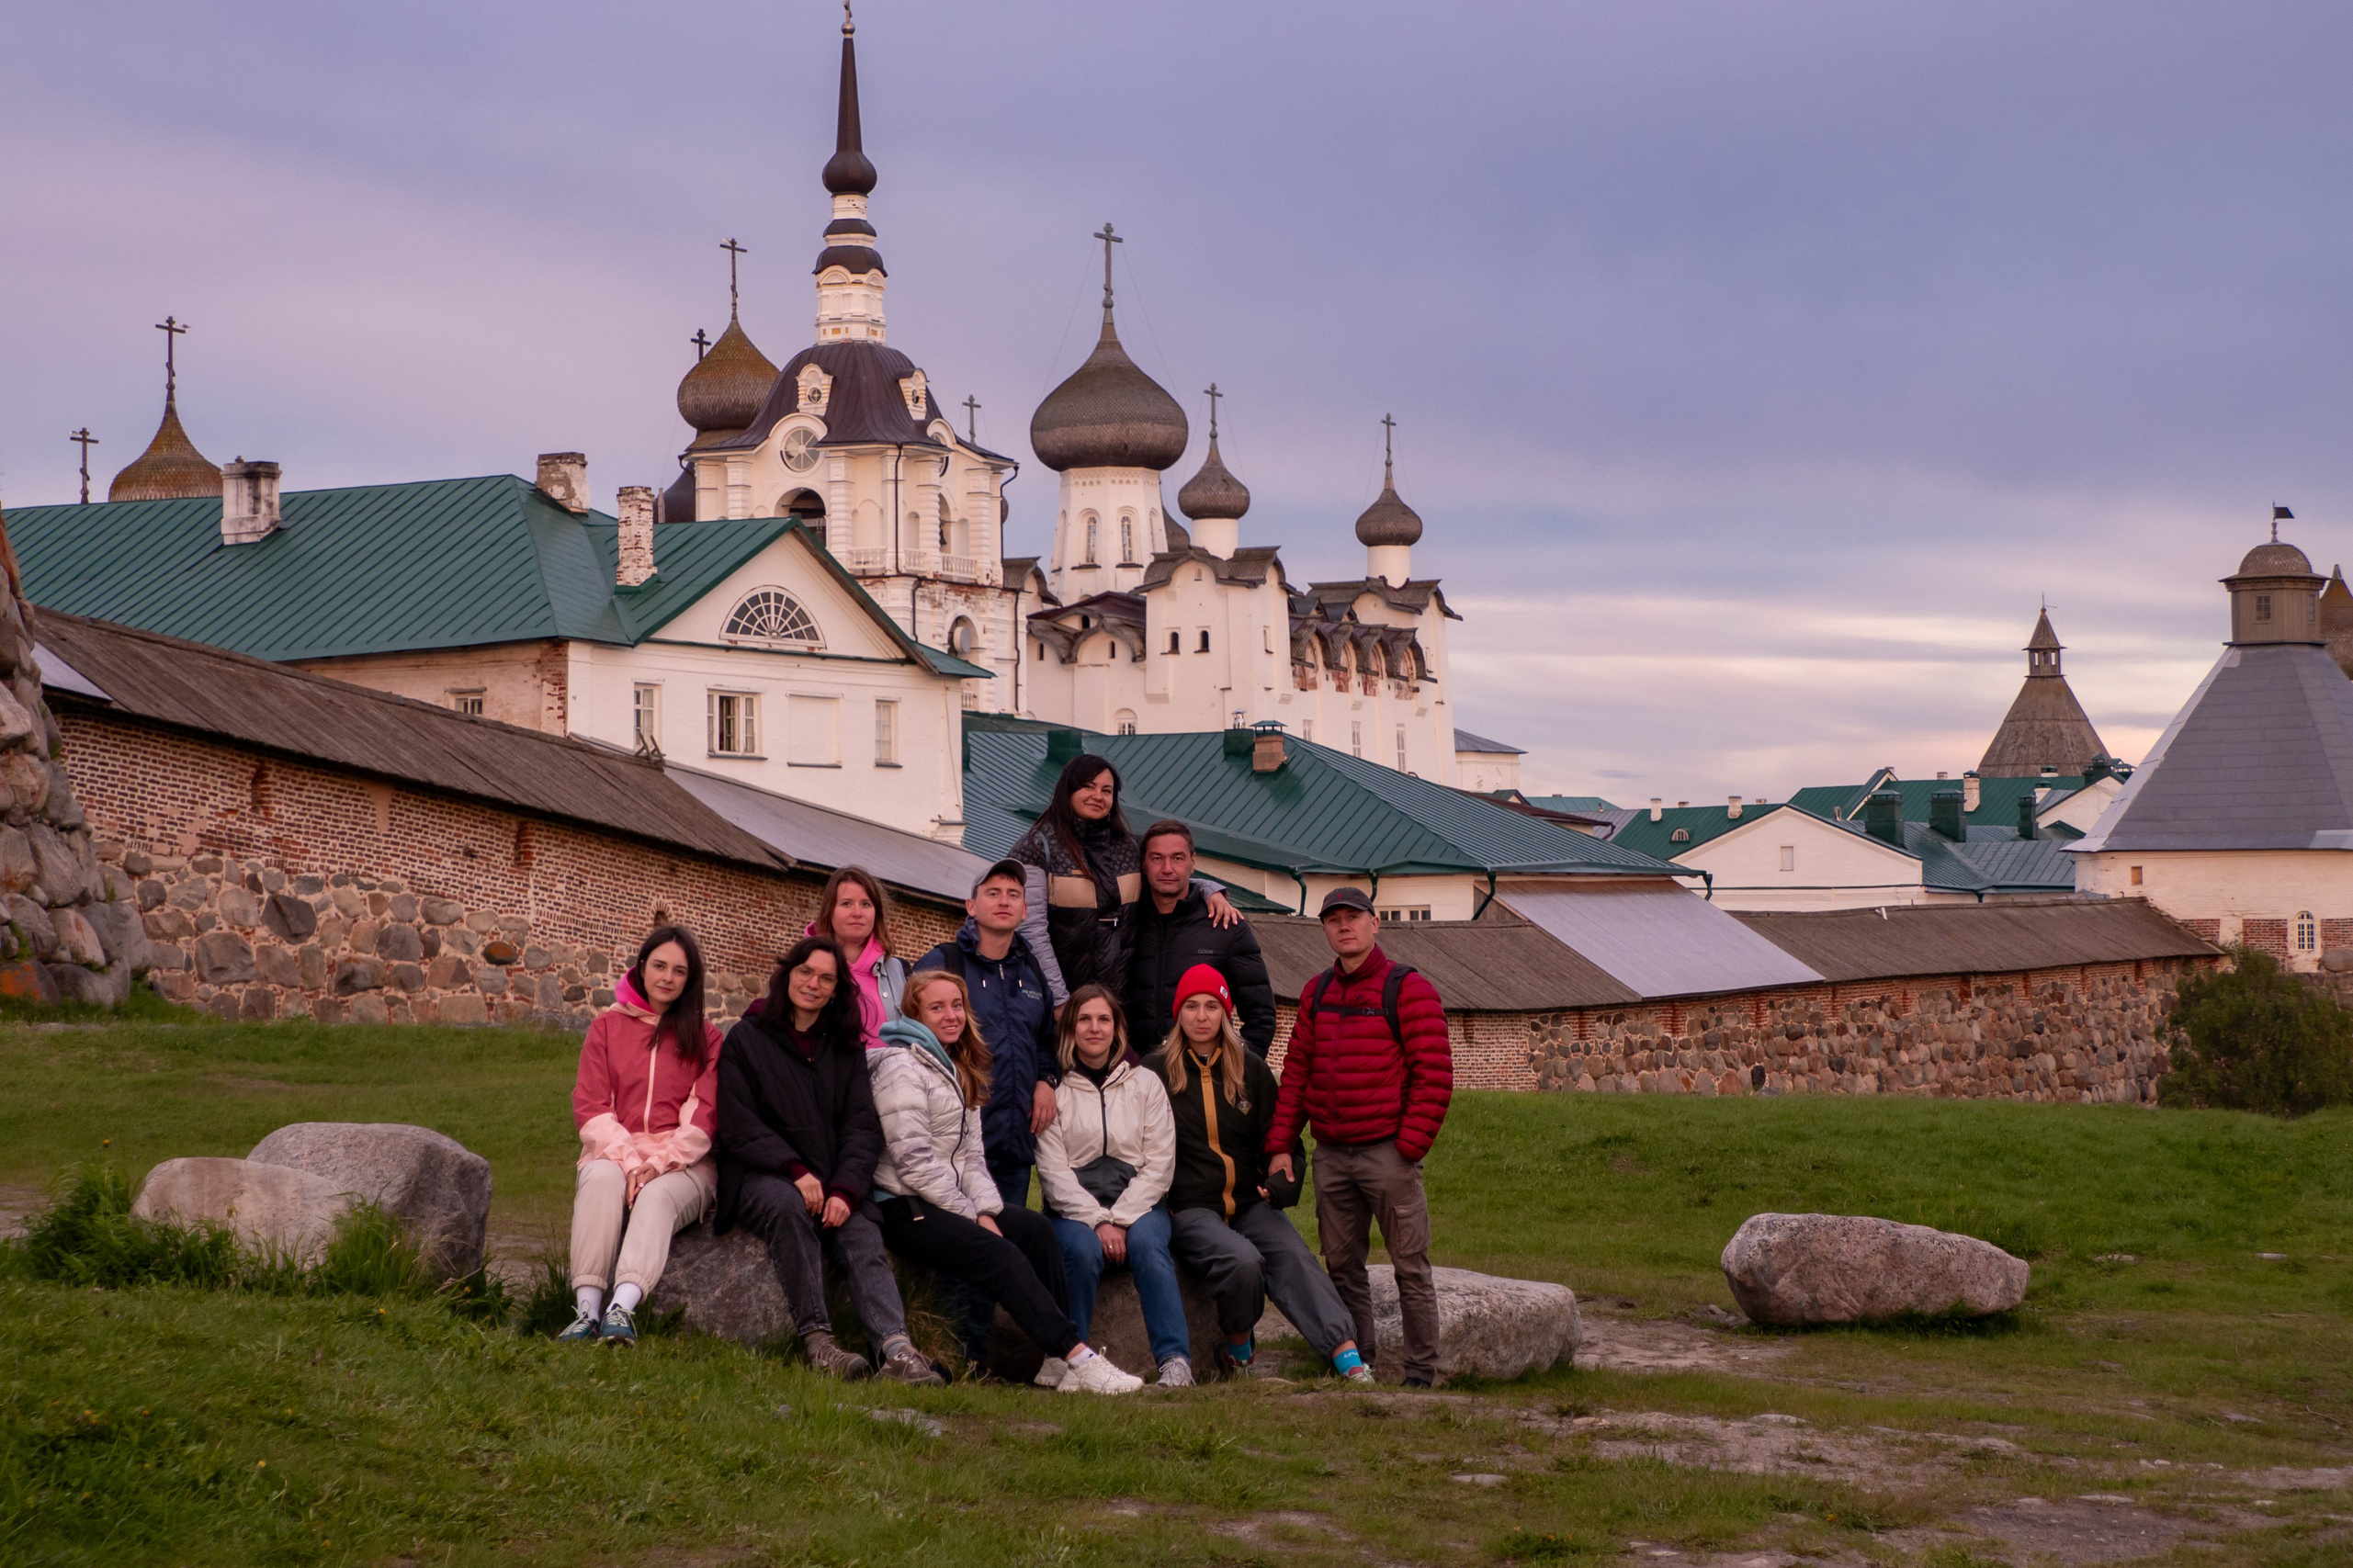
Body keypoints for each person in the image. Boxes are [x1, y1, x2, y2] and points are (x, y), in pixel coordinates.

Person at [867, 968, 1144, 1394]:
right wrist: (972, 1217)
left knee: (1034, 1230)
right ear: (914, 1014)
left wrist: (984, 1209)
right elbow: (913, 1162)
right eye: (936, 1007)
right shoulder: (902, 1066)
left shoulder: (959, 1066)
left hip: (947, 1201)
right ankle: (1080, 1359)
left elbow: (973, 1157)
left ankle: (1055, 1361)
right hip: (906, 1207)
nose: (950, 1015)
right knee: (1002, 1256)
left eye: (957, 1005)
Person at [715, 934, 940, 1385]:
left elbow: (861, 1126)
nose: (813, 984)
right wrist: (795, 1171)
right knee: (787, 1207)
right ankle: (820, 1344)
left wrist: (845, 1189)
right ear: (788, 974)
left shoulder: (844, 1046)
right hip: (763, 1175)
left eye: (826, 979)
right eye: (805, 972)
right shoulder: (747, 1037)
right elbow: (739, 1125)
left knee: (860, 1230)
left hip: (831, 1177)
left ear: (837, 989)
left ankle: (896, 1351)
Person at [1267, 887, 1454, 1388]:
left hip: (1387, 1153)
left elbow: (1433, 1074)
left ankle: (1420, 1373)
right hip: (1331, 1154)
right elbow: (1297, 1073)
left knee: (1410, 1267)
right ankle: (1359, 1364)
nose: (1344, 926)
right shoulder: (1317, 991)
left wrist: (1408, 1147)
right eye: (1333, 920)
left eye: (1354, 917)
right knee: (1343, 1265)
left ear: (1376, 924)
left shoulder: (1407, 989)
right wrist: (1281, 1144)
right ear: (1324, 930)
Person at [1154, 964, 1373, 1385]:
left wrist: (1279, 1184)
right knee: (1243, 1261)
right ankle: (1237, 1346)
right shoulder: (1155, 1071)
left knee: (1294, 1257)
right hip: (1190, 1209)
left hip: (1251, 1202)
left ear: (1226, 1014)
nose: (1202, 1016)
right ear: (1178, 1014)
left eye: (1212, 1006)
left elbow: (1284, 1142)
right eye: (1192, 1006)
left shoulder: (1249, 1069)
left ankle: (1348, 1358)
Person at [564, 925, 725, 1348]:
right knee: (600, 1180)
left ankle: (623, 1309)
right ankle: (586, 1312)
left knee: (655, 1196)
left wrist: (656, 1165)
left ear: (691, 981)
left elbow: (703, 1117)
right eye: (659, 966)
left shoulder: (707, 1038)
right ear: (641, 967)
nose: (667, 978)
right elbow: (592, 1106)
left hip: (684, 1163)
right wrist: (631, 1162)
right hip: (615, 1153)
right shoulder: (607, 1027)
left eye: (679, 971)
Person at [1033, 985, 1191, 1385]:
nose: (1094, 1028)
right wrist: (1097, 1221)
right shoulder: (1056, 1089)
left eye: (1104, 1019)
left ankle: (1175, 1362)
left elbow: (1160, 1162)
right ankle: (1072, 1363)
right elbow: (1052, 1171)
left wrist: (1119, 1218)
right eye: (1084, 1019)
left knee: (1149, 1246)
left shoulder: (1145, 1084)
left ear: (1117, 1027)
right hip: (1073, 1207)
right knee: (1082, 1252)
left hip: (1139, 1203)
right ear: (1070, 1028)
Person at [1010, 753, 1240, 1007]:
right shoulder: (1037, 847)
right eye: (1088, 786)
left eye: (1106, 790)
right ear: (1068, 790)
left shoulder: (1129, 847)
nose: (1098, 796)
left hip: (1120, 1010)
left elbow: (1166, 880)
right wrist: (1060, 1001)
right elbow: (1030, 929)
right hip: (1060, 1008)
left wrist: (1210, 890)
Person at [910, 860, 1058, 1213]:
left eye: (1013, 895)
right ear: (971, 906)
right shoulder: (944, 962)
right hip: (955, 1145)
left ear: (1025, 910)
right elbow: (911, 1039)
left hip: (1014, 1146)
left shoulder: (1033, 971)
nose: (1003, 901)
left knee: (1006, 1246)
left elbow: (1046, 1041)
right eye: (993, 893)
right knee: (963, 1252)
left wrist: (1047, 1080)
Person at [1123, 820, 1278, 1056]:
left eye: (1177, 858)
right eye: (1156, 858)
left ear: (1193, 862)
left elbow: (1260, 1014)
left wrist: (1238, 1069)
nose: (1167, 868)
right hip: (1135, 1074)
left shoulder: (1226, 925)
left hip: (1202, 1078)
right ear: (1143, 863)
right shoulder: (1125, 923)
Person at [809, 865, 907, 1049]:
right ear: (830, 911)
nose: (857, 913)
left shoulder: (895, 970)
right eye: (846, 903)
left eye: (865, 904)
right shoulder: (804, 964)